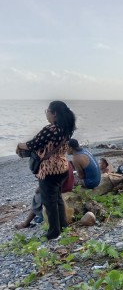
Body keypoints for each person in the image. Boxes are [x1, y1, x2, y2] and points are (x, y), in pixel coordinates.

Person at [16, 101, 76, 240]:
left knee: (49, 202)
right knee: (57, 199)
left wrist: (19, 145)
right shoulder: (67, 129)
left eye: (47, 112)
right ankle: (63, 226)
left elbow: (33, 144)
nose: (47, 115)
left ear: (54, 113)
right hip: (63, 167)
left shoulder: (50, 129)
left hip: (49, 170)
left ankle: (54, 233)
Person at [14, 162, 74, 230]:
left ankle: (26, 223)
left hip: (61, 189)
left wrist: (39, 189)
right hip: (67, 187)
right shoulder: (65, 161)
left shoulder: (54, 164)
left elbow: (50, 184)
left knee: (38, 197)